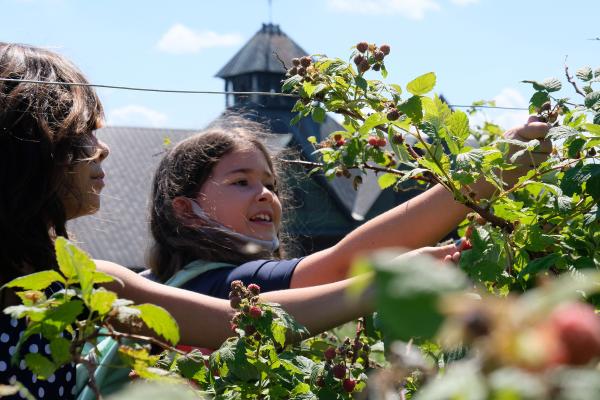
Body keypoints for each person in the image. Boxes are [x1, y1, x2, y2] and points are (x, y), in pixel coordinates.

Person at [0, 42, 385, 399]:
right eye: (80, 134)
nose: (102, 149)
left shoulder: (84, 282)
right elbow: (250, 317)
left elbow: (233, 322)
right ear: (28, 148)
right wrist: (390, 280)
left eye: (270, 184)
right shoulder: (91, 283)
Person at [146, 111, 550, 298]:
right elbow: (345, 263)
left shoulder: (166, 285)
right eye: (240, 182)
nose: (265, 194)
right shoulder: (225, 285)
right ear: (186, 211)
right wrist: (487, 175)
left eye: (269, 184)